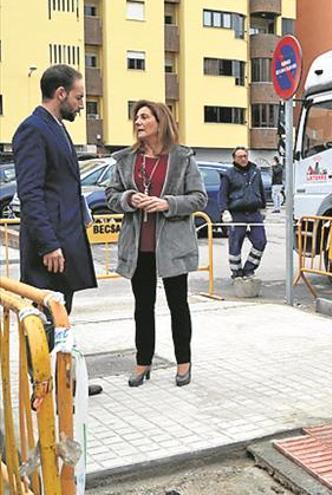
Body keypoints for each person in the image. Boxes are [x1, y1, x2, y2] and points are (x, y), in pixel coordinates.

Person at [13, 64, 102, 396]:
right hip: (48, 250)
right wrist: (49, 244)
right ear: (60, 94)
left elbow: (64, 185)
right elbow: (32, 193)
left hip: (67, 241)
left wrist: (82, 212)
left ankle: (65, 382)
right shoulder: (33, 130)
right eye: (78, 97)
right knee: (45, 321)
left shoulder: (58, 128)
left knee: (62, 317)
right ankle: (41, 389)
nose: (81, 104)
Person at [105, 100, 207, 388]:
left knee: (178, 305)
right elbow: (111, 195)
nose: (138, 122)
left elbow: (199, 198)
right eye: (136, 118)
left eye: (144, 117)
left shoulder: (182, 158)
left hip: (172, 247)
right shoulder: (126, 160)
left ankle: (183, 362)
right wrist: (129, 199)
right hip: (139, 248)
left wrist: (166, 203)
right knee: (142, 307)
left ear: (159, 122)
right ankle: (143, 362)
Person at [219, 147, 267, 279]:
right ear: (234, 158)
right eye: (240, 156)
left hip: (254, 212)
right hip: (236, 213)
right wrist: (224, 211)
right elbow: (222, 194)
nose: (243, 159)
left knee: (261, 241)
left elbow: (260, 189)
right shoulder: (228, 174)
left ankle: (249, 269)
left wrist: (263, 206)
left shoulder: (255, 172)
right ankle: (236, 273)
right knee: (235, 243)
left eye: (245, 156)